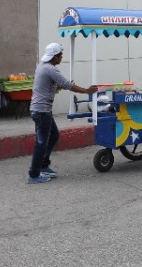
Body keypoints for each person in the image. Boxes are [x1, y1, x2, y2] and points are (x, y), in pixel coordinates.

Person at [27, 42, 96, 184]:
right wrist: (87, 91)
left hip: (40, 110)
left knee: (54, 136)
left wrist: (60, 85)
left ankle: (44, 165)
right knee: (41, 143)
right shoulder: (51, 69)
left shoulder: (42, 66)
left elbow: (53, 84)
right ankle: (34, 174)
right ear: (54, 57)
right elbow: (67, 85)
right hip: (42, 111)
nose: (61, 58)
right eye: (60, 56)